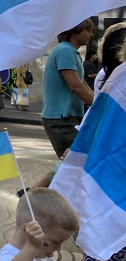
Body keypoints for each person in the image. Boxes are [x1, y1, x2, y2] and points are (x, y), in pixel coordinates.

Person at [57, 27, 126, 261]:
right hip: (116, 193)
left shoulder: (118, 76)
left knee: (105, 258)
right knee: (105, 257)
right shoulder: (119, 78)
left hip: (113, 194)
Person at [42, 19, 94, 159]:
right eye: (88, 30)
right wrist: (99, 106)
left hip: (67, 117)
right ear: (75, 32)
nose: (91, 34)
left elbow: (82, 83)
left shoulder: (71, 52)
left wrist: (98, 101)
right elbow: (76, 87)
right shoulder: (65, 51)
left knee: (75, 162)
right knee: (76, 161)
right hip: (61, 118)